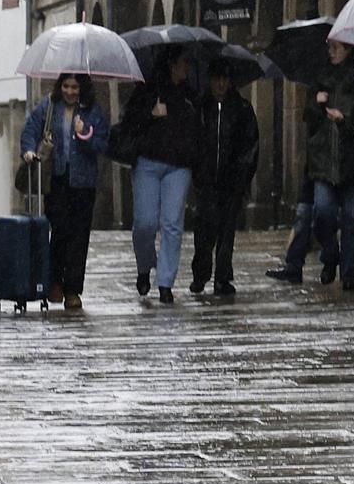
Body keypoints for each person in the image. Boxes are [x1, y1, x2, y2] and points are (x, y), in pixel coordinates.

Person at [20, 73, 110, 310]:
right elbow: (31, 129)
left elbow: (101, 144)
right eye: (67, 86)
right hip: (57, 179)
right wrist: (29, 150)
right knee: (59, 231)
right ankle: (55, 281)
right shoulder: (49, 105)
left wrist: (83, 134)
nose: (70, 91)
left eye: (75, 87)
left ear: (82, 89)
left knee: (79, 236)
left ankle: (73, 289)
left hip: (83, 183)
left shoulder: (93, 111)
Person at [119, 45, 198, 304]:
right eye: (183, 61)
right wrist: (151, 115)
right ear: (172, 64)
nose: (187, 67)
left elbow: (196, 128)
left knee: (173, 224)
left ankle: (165, 282)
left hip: (179, 165)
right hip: (148, 163)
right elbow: (129, 123)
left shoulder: (189, 94)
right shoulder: (147, 90)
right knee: (145, 223)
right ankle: (145, 265)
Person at [304, 38, 354, 290]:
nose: (331, 51)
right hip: (324, 161)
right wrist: (316, 103)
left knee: (353, 218)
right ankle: (330, 255)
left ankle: (349, 271)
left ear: (349, 48)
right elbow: (307, 118)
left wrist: (345, 121)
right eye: (329, 46)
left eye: (336, 47)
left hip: (353, 161)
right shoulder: (321, 77)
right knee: (322, 213)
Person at [189, 59, 260, 296]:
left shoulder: (241, 109)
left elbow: (250, 145)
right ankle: (200, 274)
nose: (220, 84)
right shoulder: (199, 108)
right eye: (216, 79)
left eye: (224, 79)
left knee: (227, 230)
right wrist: (197, 170)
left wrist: (242, 175)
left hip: (231, 182)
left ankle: (222, 276)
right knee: (204, 229)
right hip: (206, 180)